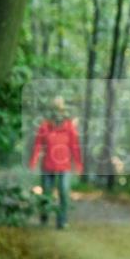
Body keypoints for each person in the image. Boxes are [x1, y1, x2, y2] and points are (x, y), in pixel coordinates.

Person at [28, 96, 83, 229]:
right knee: (46, 192)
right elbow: (38, 145)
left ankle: (62, 221)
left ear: (63, 111)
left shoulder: (69, 126)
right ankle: (44, 217)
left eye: (60, 109)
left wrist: (78, 164)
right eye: (55, 109)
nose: (58, 112)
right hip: (48, 165)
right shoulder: (44, 126)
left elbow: (74, 146)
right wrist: (33, 161)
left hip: (64, 166)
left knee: (64, 191)